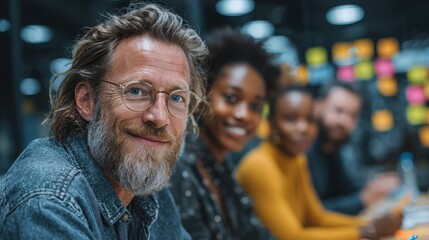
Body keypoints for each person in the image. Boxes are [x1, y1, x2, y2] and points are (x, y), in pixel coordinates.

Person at [0, 3, 208, 239]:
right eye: (136, 91)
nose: (159, 117)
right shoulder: (48, 199)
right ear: (87, 100)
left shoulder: (144, 184)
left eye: (177, 97)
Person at [236, 86, 402, 239]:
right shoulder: (259, 166)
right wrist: (369, 231)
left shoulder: (297, 159)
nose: (303, 128)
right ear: (270, 123)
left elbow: (316, 217)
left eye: (310, 120)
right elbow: (293, 237)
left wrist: (372, 225)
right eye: (291, 119)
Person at [169, 27, 278, 239]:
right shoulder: (179, 167)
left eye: (255, 107)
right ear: (201, 95)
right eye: (231, 98)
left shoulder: (221, 169)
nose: (244, 115)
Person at [307, 81, 400, 215]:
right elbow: (312, 213)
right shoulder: (303, 152)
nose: (345, 121)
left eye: (353, 116)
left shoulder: (333, 149)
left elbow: (347, 191)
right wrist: (363, 199)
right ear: (317, 106)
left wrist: (374, 187)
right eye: (339, 111)